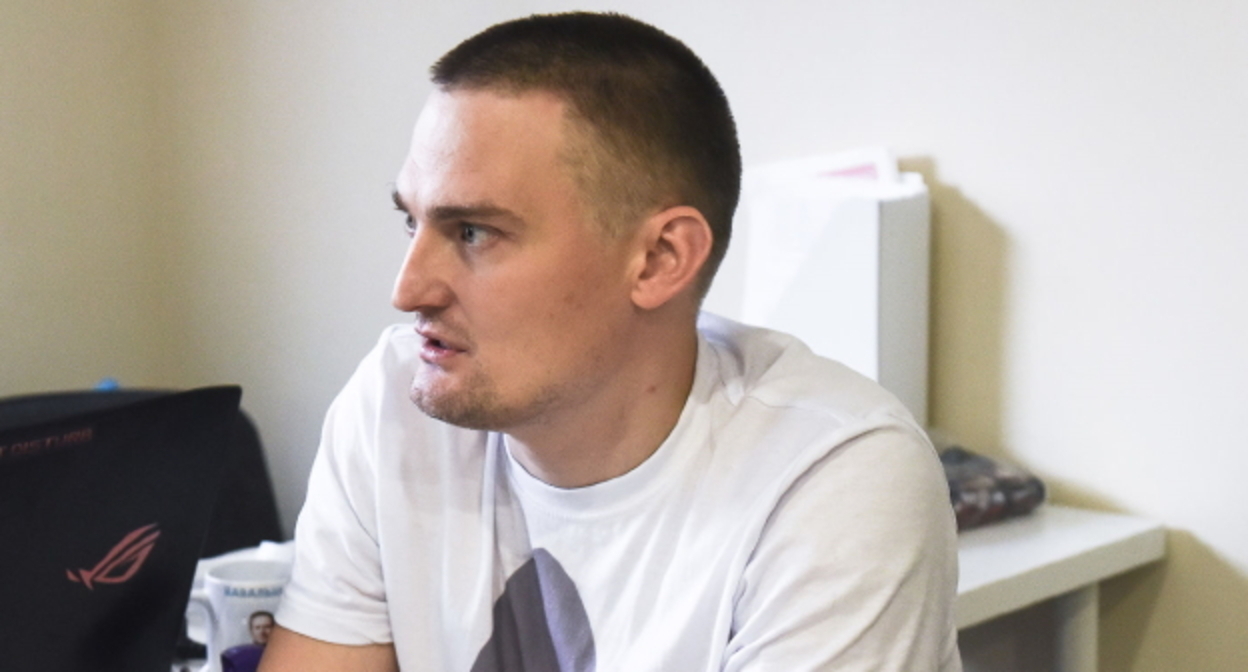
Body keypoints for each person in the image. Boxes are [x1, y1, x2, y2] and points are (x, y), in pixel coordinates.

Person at [259, 11, 960, 672]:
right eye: (413, 222)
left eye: (473, 232)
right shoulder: (395, 401)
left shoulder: (831, 477)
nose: (408, 290)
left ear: (659, 259)